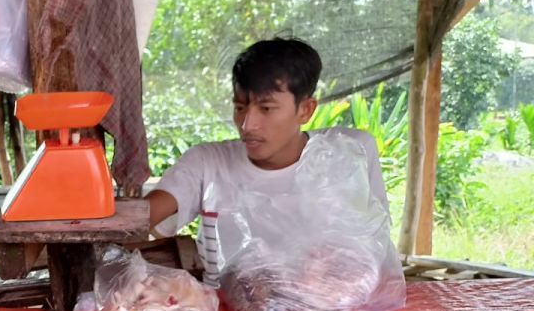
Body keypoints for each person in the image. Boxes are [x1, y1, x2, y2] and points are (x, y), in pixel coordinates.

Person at [146, 37, 389, 261]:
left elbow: (375, 249)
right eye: (240, 108)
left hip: (333, 304)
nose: (247, 125)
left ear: (305, 110)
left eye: (266, 109)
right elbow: (143, 218)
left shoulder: (349, 154)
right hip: (226, 305)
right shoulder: (207, 163)